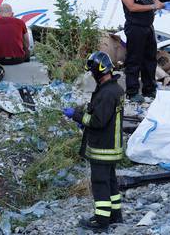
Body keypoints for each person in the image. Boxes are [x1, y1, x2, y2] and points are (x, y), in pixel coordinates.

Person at [64, 51, 125, 231]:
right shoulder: (114, 89)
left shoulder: (107, 93)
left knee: (100, 183)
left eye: (92, 72)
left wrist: (76, 116)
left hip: (103, 148)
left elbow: (98, 121)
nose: (91, 75)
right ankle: (115, 215)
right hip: (112, 146)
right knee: (110, 181)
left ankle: (101, 220)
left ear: (99, 71)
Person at [118, 0, 165, 103]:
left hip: (148, 26)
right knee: (134, 60)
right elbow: (131, 6)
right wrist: (152, 6)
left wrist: (160, 3)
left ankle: (149, 89)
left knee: (150, 59)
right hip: (135, 27)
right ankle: (132, 92)